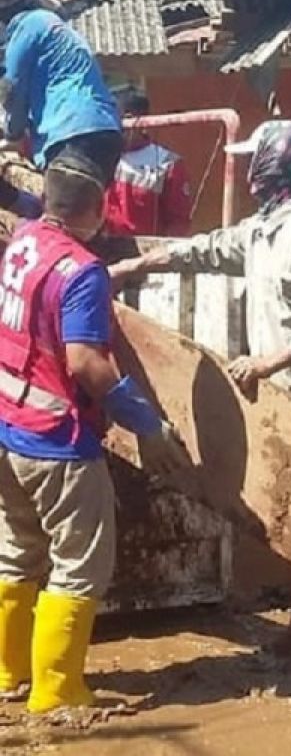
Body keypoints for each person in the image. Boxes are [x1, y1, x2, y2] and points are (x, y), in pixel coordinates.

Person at [109, 120, 291, 665]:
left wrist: (273, 359)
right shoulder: (261, 231)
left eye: (257, 159)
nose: (252, 170)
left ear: (274, 165)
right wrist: (135, 265)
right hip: (285, 398)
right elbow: (204, 250)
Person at [0, 156, 189, 713]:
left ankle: (8, 673)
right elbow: (86, 362)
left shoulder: (24, 242)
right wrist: (147, 425)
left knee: (16, 552)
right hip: (57, 440)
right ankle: (57, 692)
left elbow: (45, 296)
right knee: (80, 565)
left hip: (8, 426)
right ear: (97, 206)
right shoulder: (79, 270)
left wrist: (112, 277)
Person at [0, 0, 121, 189]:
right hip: (103, 130)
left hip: (70, 133)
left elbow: (11, 89)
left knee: (63, 216)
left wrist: (12, 136)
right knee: (82, 215)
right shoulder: (53, 26)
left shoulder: (27, 24)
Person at [104, 88, 192, 238]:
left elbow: (178, 224)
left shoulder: (167, 164)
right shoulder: (100, 155)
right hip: (101, 252)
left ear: (131, 120)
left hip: (144, 254)